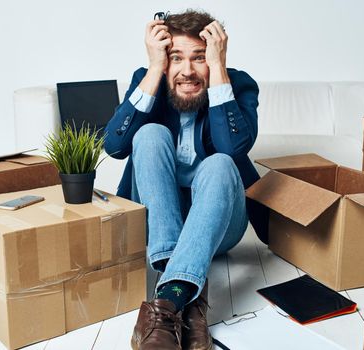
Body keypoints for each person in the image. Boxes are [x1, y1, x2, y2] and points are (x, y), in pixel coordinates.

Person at [104, 9, 265, 350]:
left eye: (200, 58)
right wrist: (153, 69)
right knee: (147, 135)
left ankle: (165, 304)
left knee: (221, 163)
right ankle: (182, 303)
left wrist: (219, 70)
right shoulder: (149, 78)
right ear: (164, 59)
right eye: (177, 58)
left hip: (220, 228)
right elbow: (115, 146)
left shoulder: (239, 84)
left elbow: (233, 148)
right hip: (160, 225)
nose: (187, 71)